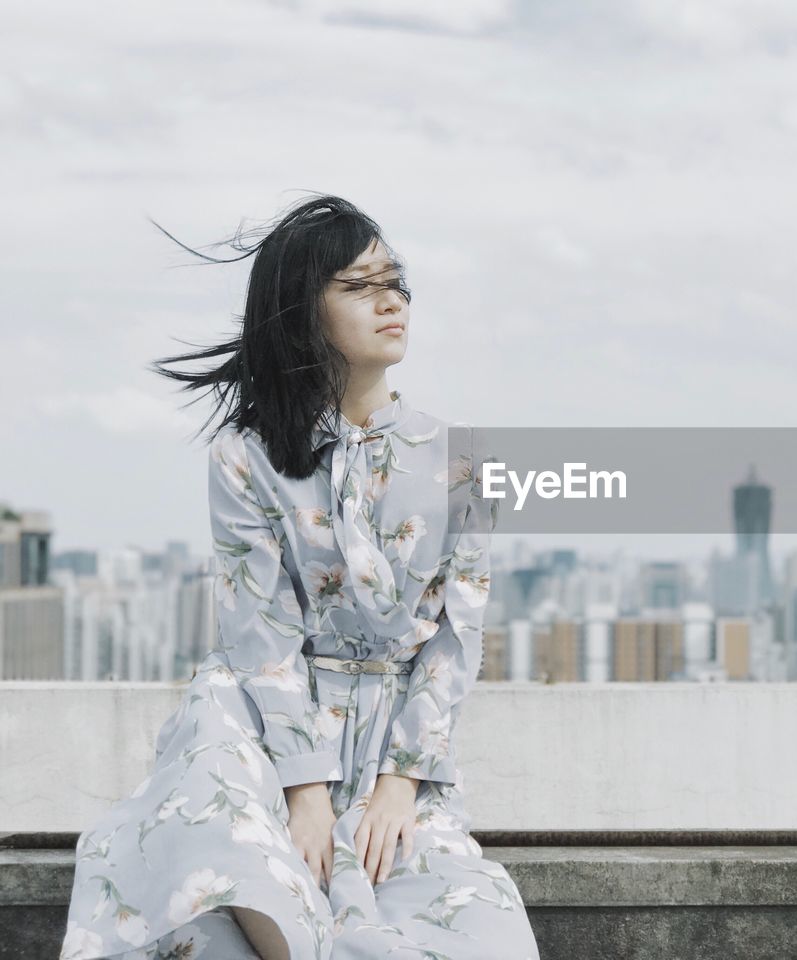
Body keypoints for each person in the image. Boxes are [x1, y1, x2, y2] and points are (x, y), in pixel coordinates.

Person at [59, 195, 540, 960]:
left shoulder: (464, 463)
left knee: (470, 923)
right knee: (243, 864)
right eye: (359, 285)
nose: (393, 301)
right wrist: (304, 789)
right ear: (302, 313)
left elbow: (456, 639)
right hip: (257, 723)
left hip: (389, 739)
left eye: (398, 281)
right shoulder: (245, 457)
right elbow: (260, 632)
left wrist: (399, 784)